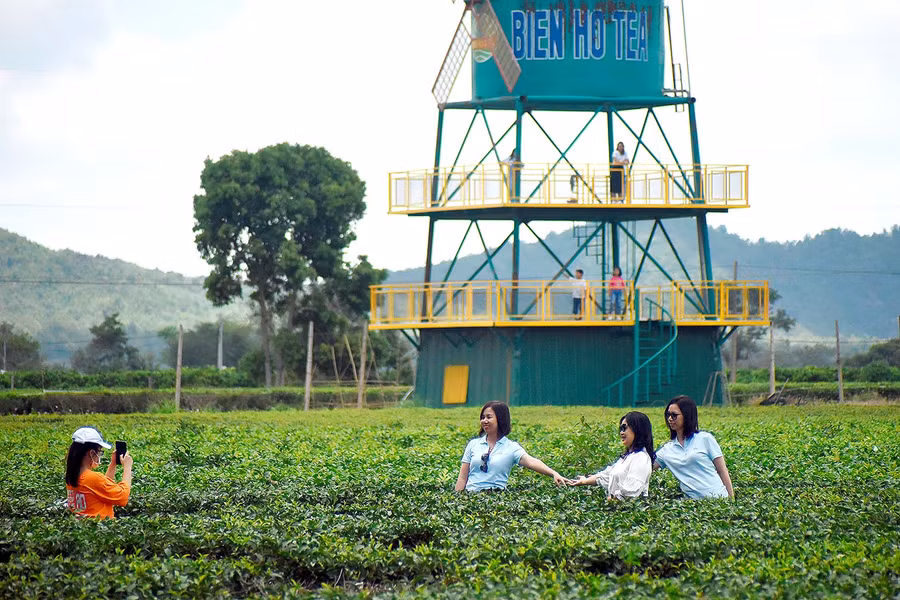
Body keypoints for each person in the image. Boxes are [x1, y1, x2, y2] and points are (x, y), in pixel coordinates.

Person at [455, 401, 567, 492]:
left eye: (489, 417)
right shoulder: (473, 444)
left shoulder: (511, 447)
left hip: (495, 498)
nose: (484, 421)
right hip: (471, 496)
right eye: (483, 417)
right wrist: (457, 499)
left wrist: (553, 473)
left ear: (500, 419)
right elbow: (462, 477)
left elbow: (531, 462)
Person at [653, 396, 735, 499]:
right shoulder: (667, 450)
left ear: (687, 416)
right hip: (694, 507)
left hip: (719, 500)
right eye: (668, 415)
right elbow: (647, 467)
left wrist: (732, 499)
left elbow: (722, 470)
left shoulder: (705, 439)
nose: (670, 419)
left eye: (674, 415)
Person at [569, 411, 654, 498]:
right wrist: (585, 481)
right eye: (621, 428)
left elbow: (631, 493)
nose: (621, 432)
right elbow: (607, 476)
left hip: (628, 510)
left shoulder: (641, 458)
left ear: (638, 430)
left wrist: (611, 502)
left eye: (625, 428)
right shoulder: (627, 457)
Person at [65, 426, 133, 518]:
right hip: (101, 528)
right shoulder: (92, 478)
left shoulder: (72, 476)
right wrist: (127, 467)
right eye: (100, 451)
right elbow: (123, 496)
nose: (99, 455)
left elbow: (103, 488)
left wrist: (113, 464)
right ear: (92, 453)